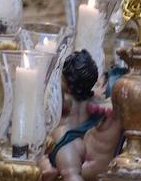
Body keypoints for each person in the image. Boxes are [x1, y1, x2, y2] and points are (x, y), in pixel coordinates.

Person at [43, 50, 101, 181]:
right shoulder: (91, 98)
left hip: (64, 140)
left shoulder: (65, 98)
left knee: (71, 174)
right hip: (84, 136)